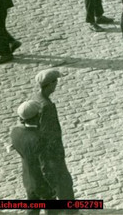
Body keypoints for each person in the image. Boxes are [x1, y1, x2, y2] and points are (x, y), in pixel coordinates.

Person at [32, 69, 74, 198]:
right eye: (55, 82)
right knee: (63, 183)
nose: (56, 84)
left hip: (41, 151)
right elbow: (50, 133)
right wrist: (58, 153)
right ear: (50, 84)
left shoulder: (36, 99)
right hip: (51, 153)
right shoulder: (47, 106)